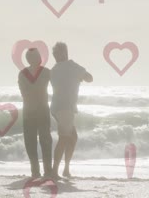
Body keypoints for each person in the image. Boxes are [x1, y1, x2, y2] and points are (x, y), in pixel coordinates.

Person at [50, 42, 93, 179]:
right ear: (65, 53)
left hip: (57, 108)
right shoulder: (72, 66)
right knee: (64, 137)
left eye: (56, 54)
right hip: (65, 108)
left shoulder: (54, 69)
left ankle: (65, 169)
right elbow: (90, 78)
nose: (56, 56)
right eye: (55, 54)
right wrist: (80, 77)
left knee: (72, 137)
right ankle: (55, 171)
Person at [18, 48, 53, 178]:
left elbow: (24, 93)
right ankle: (46, 170)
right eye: (37, 56)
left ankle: (37, 171)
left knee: (33, 141)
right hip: (40, 109)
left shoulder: (23, 74)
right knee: (43, 140)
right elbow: (58, 83)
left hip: (30, 110)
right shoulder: (46, 72)